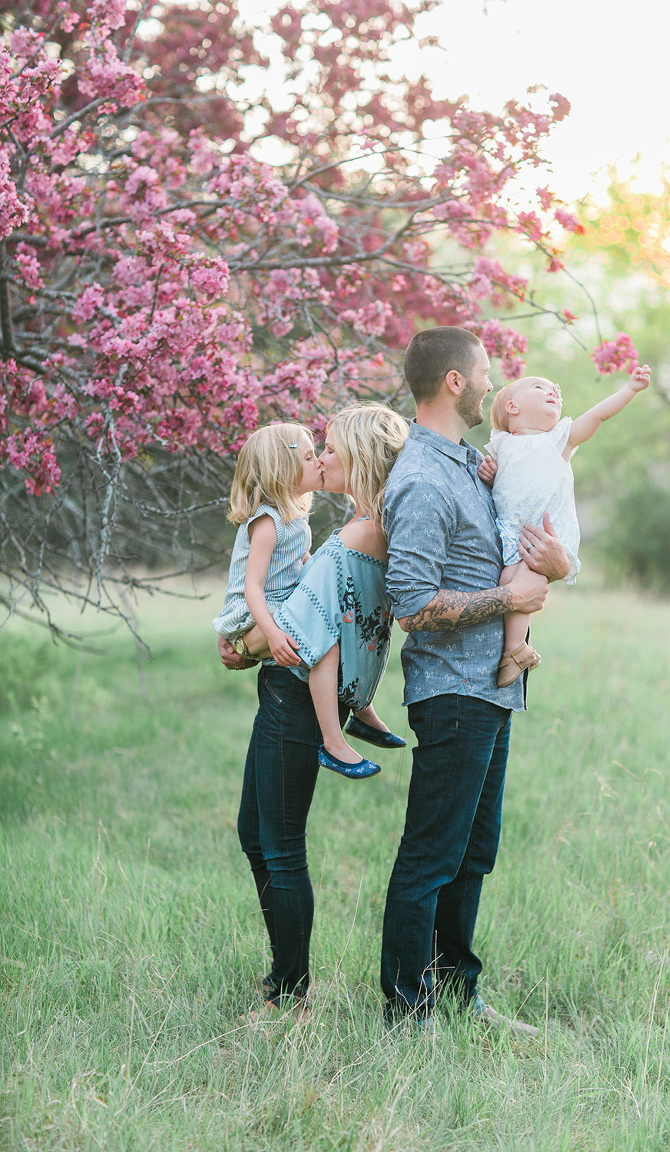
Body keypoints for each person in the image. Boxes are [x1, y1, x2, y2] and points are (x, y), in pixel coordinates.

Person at [380, 326, 571, 1034]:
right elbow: (413, 606)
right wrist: (509, 602)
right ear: (454, 382)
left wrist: (548, 561)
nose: (493, 384)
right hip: (452, 691)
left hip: (491, 692)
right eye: (486, 371)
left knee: (473, 853)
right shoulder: (424, 478)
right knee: (431, 854)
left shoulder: (468, 465)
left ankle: (460, 993)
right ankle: (406, 1009)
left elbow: (518, 540)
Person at [218, 403, 409, 1015]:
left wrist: (240, 648)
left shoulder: (350, 537)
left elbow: (301, 626)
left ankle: (290, 992)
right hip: (292, 692)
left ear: (356, 459)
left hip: (291, 695)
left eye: (328, 448)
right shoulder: (372, 525)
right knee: (257, 833)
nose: (321, 458)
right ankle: (286, 977)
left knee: (278, 844)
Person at [212, 420, 400, 779]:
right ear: (283, 471)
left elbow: (305, 568)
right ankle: (335, 739)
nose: (320, 462)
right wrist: (262, 635)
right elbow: (255, 586)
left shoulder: (302, 519)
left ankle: (360, 715)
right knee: (325, 643)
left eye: (326, 452)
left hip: (281, 632)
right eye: (313, 454)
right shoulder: (269, 521)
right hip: (257, 612)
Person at [484, 365, 651, 686]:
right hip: (512, 532)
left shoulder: (559, 439)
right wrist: (492, 478)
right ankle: (515, 648)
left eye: (556, 392)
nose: (552, 393)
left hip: (546, 536)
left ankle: (514, 650)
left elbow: (597, 416)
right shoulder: (501, 444)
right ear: (512, 407)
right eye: (540, 388)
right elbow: (506, 484)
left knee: (521, 584)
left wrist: (629, 389)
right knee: (507, 579)